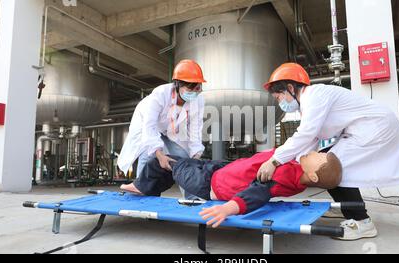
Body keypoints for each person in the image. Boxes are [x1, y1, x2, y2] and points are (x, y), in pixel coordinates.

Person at [256, 63, 399, 240]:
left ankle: (362, 222)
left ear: (290, 88)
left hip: (374, 127)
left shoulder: (314, 96)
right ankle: (345, 207)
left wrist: (274, 161)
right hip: (365, 129)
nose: (280, 103)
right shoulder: (307, 105)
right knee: (325, 162)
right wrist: (293, 161)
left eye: (279, 97)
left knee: (332, 167)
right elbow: (311, 142)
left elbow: (306, 134)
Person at [120, 149, 343, 228]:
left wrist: (229, 209)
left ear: (312, 175)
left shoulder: (284, 177)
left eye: (319, 157)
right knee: (178, 161)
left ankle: (140, 186)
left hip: (209, 184)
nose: (316, 152)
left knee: (166, 162)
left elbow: (257, 193)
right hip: (220, 169)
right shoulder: (296, 162)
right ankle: (145, 186)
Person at [117, 60, 206, 199]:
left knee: (183, 158)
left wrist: (195, 156)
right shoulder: (160, 94)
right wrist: (159, 155)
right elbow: (149, 126)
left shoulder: (198, 100)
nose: (195, 93)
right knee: (148, 156)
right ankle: (142, 194)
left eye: (198, 88)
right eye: (190, 89)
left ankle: (193, 198)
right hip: (145, 123)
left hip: (167, 129)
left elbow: (195, 131)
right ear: (177, 85)